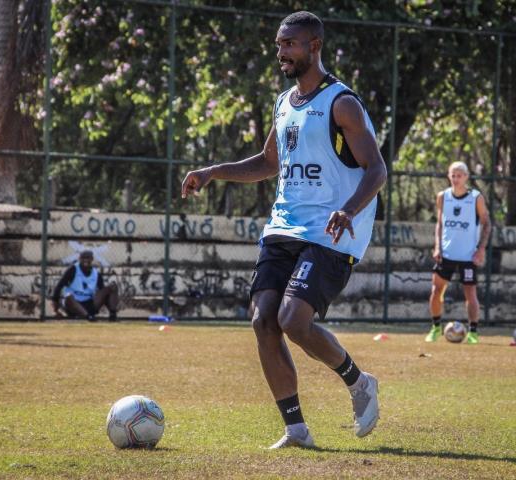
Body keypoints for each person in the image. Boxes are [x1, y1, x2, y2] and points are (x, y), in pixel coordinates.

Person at [181, 11, 386, 448]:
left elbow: (377, 170)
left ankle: (358, 381)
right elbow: (268, 163)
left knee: (294, 319)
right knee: (263, 322)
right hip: (283, 227)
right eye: (278, 45)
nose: (281, 53)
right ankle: (295, 429)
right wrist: (213, 171)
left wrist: (348, 210)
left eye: (289, 44)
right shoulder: (282, 103)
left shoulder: (341, 103)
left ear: (314, 46)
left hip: (330, 233)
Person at [424, 161, 491, 344]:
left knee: (470, 292)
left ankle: (473, 332)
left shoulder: (476, 197)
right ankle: (436, 327)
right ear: (448, 176)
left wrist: (481, 249)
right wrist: (437, 246)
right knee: (436, 289)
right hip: (446, 253)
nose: (455, 179)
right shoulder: (443, 197)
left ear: (466, 177)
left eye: (459, 175)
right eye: (453, 175)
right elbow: (440, 223)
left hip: (468, 256)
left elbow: (487, 223)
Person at [52, 250, 119, 321]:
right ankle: (88, 317)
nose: (85, 260)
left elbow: (102, 292)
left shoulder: (96, 274)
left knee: (113, 286)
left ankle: (113, 315)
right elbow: (60, 285)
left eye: (88, 258)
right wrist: (55, 308)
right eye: (83, 258)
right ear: (79, 259)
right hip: (73, 305)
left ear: (92, 259)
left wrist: (109, 305)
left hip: (89, 304)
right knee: (68, 296)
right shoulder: (73, 269)